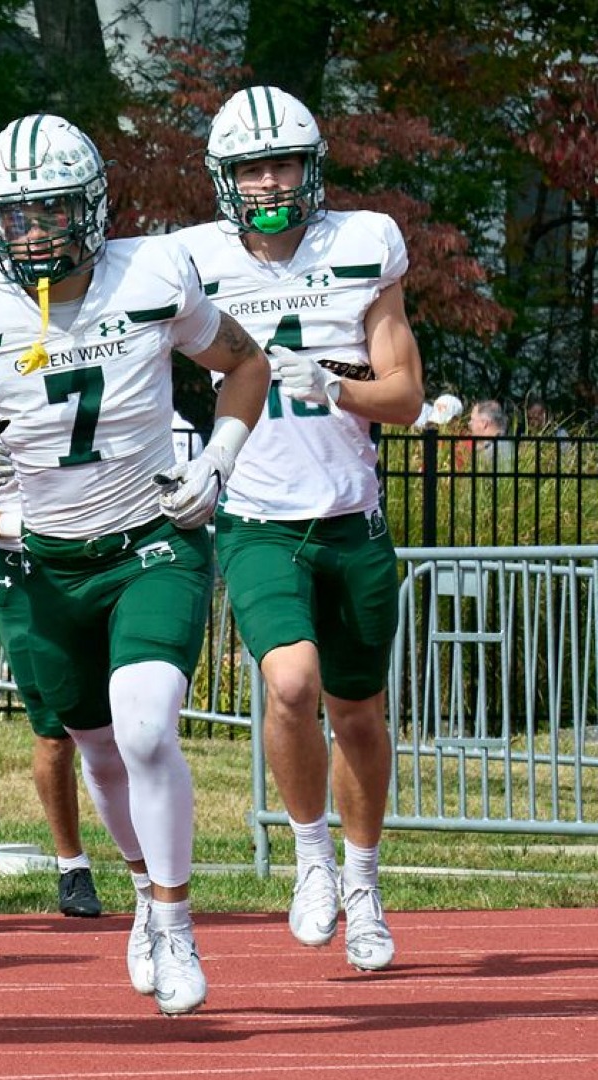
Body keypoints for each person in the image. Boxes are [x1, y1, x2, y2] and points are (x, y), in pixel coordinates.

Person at [0, 113, 269, 1016]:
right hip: (40, 560)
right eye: (15, 215)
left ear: (92, 205)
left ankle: (177, 921)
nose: (34, 232)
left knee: (146, 727)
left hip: (150, 536)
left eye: (52, 211)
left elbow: (246, 364)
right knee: (98, 750)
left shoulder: (153, 273)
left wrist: (217, 462)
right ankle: (146, 892)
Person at [176, 86, 425, 973]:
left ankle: (364, 880)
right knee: (291, 684)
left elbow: (405, 395)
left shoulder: (364, 244)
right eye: (252, 166)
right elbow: (97, 303)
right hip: (255, 516)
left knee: (359, 713)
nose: (270, 180)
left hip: (350, 517)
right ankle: (310, 854)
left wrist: (338, 386)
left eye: (282, 162)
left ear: (312, 169)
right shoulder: (190, 258)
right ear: (224, 178)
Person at [0, 481, 102, 918]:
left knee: (136, 718)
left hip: (106, 551)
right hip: (23, 562)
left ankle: (153, 866)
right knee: (54, 731)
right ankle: (72, 864)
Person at [466, 399, 516, 471]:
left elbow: (504, 480)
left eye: (472, 420)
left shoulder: (501, 449)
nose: (469, 424)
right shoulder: (489, 446)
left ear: (484, 423)